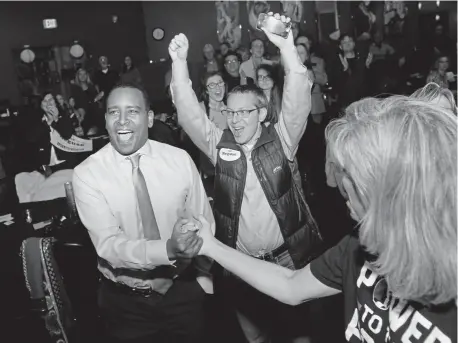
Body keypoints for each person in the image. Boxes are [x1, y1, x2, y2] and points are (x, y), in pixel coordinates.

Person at [195, 88, 458, 343]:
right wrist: (211, 246)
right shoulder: (356, 247)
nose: (339, 189)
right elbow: (290, 285)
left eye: (351, 179)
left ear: (391, 185)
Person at [169, 12, 322, 343]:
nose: (235, 120)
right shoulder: (219, 146)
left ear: (263, 113)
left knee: (298, 335)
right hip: (240, 268)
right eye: (230, 112)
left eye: (244, 112)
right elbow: (189, 114)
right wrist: (180, 63)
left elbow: (297, 97)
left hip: (287, 260)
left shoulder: (282, 140)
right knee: (255, 338)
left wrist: (285, 46)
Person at [72, 83, 215, 343]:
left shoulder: (179, 160)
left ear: (149, 118)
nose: (122, 121)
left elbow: (205, 222)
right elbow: (109, 246)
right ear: (105, 120)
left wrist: (204, 279)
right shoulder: (87, 174)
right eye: (114, 112)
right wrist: (169, 249)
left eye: (133, 111)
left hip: (183, 294)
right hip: (126, 305)